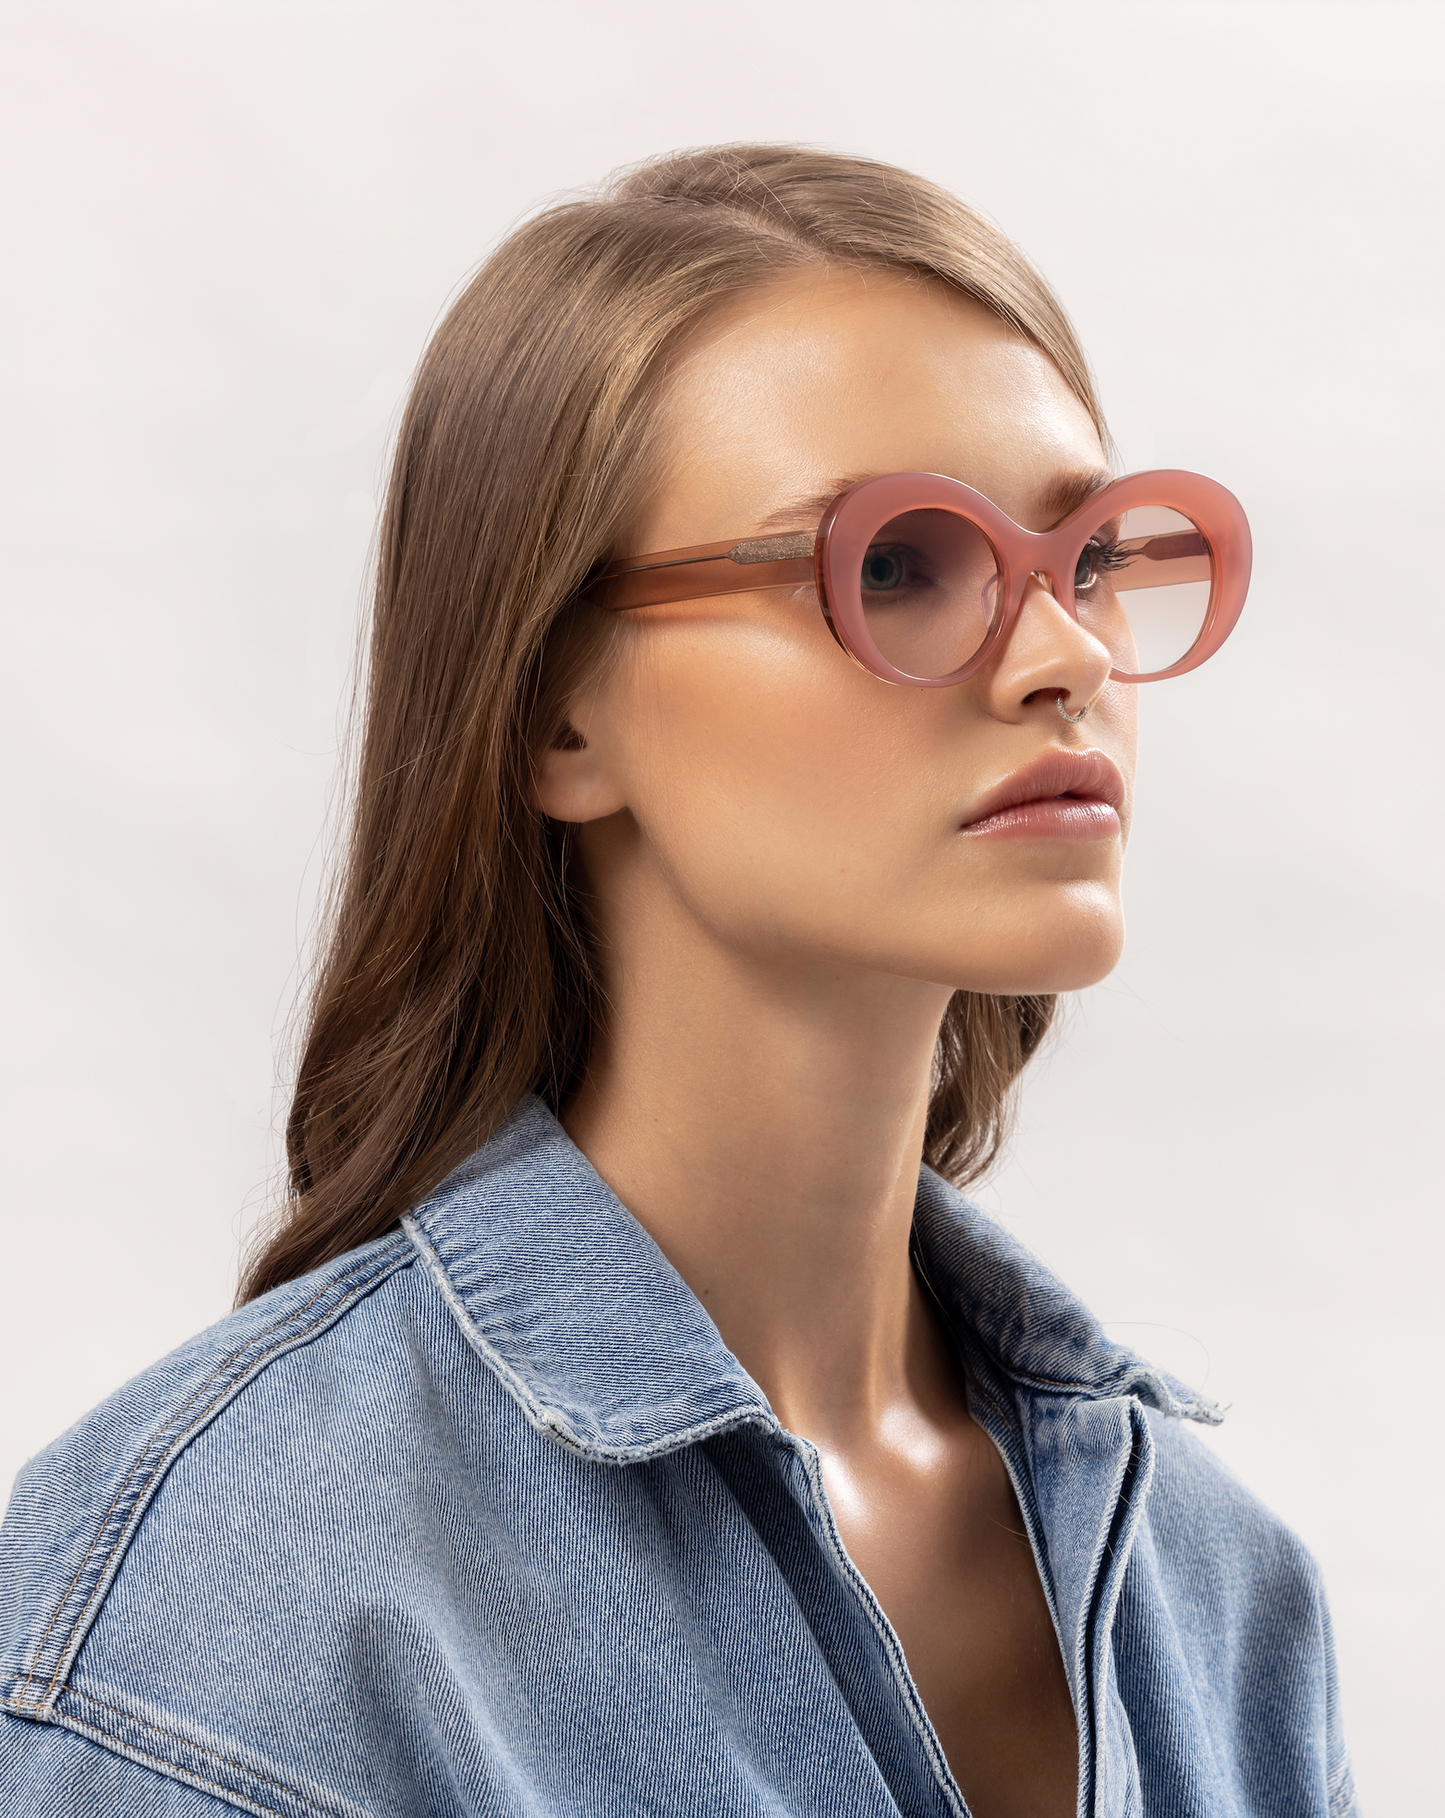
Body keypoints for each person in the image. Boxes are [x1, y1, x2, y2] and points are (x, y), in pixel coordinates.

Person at [0, 145, 1356, 1818]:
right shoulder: (226, 1621)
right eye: (898, 564)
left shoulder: (1220, 1600)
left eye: (1086, 556)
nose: (1068, 655)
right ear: (562, 709)